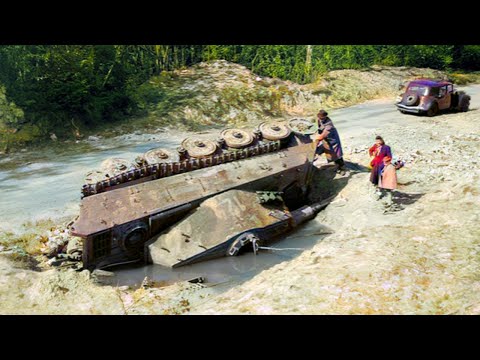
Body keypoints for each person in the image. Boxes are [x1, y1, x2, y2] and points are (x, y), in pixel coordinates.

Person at [315, 109, 345, 173]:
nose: (320, 118)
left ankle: (341, 167)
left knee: (337, 154)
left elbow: (323, 135)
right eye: (319, 117)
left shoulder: (329, 124)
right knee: (330, 152)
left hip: (333, 139)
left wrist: (317, 140)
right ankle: (337, 164)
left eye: (322, 117)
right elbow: (319, 129)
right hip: (326, 139)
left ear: (325, 117)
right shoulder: (319, 120)